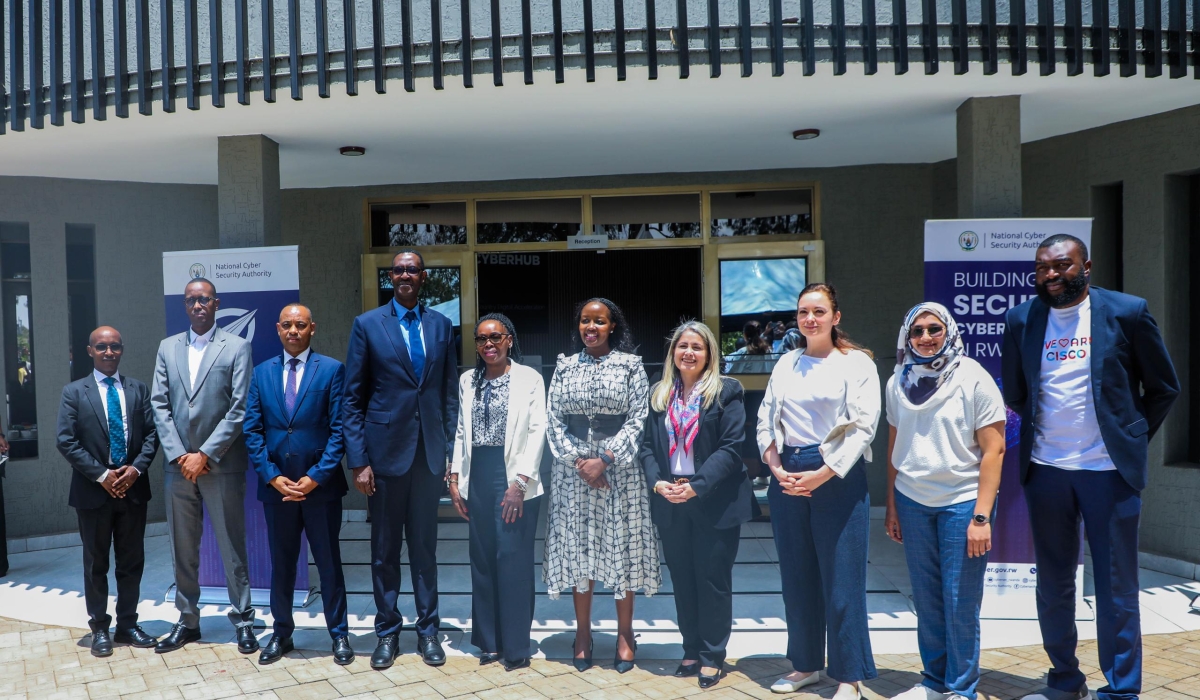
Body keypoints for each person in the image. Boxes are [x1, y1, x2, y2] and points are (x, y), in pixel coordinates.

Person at [1002, 235, 1179, 700]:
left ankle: (1121, 690)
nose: (1051, 275)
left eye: (1062, 265)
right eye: (1042, 268)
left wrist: (1129, 439)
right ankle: (1064, 681)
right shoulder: (1021, 319)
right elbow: (1017, 392)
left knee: (1117, 587)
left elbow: (1163, 387)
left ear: (1086, 266)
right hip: (1046, 471)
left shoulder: (1126, 312)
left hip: (1108, 474)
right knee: (1054, 585)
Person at [757, 282, 880, 699]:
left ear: (835, 316)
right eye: (803, 312)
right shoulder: (786, 362)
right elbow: (766, 418)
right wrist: (775, 468)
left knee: (842, 579)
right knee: (797, 576)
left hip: (837, 476)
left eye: (819, 311)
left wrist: (824, 473)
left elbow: (864, 426)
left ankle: (849, 674)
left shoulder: (856, 362)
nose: (810, 319)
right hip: (788, 474)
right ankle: (806, 665)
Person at [883, 304, 1006, 700]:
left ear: (948, 330)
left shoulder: (974, 378)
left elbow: (995, 449)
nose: (925, 337)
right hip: (913, 500)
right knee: (927, 599)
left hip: (962, 503)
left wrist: (982, 517)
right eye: (916, 330)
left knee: (959, 602)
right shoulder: (898, 381)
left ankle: (961, 687)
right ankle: (933, 682)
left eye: (934, 329)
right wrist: (891, 503)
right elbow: (894, 444)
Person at [343, 250, 459, 669]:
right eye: (398, 270)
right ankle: (388, 632)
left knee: (426, 551)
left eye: (412, 269)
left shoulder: (442, 325)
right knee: (384, 552)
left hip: (428, 458)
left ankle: (429, 631)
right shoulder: (368, 325)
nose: (405, 275)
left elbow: (448, 397)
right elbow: (352, 398)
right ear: (390, 277)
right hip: (385, 458)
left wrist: (451, 456)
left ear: (423, 276)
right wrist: (358, 460)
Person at [641, 320, 758, 689]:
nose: (688, 352)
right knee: (683, 581)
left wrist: (697, 486)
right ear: (673, 352)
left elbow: (730, 447)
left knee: (712, 582)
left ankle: (711, 656)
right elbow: (645, 447)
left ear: (709, 354)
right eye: (682, 346)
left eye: (697, 347)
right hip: (671, 500)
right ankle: (690, 650)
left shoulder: (727, 392)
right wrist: (658, 482)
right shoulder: (659, 394)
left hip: (714, 502)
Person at [544, 297, 658, 674]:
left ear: (613, 327)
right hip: (573, 472)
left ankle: (625, 634)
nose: (590, 328)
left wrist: (605, 459)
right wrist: (582, 462)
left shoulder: (631, 366)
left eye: (599, 321)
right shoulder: (564, 367)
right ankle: (582, 635)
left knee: (620, 549)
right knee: (580, 550)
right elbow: (553, 420)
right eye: (584, 321)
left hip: (619, 472)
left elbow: (639, 418)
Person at [151, 277, 257, 654]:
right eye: (192, 300)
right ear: (185, 306)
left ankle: (244, 620)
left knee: (231, 545)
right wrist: (180, 455)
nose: (198, 305)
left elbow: (239, 407)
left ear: (216, 304)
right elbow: (159, 405)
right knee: (183, 548)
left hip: (220, 464)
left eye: (205, 300)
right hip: (178, 467)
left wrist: (205, 454)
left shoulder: (238, 346)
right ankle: (188, 620)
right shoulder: (167, 348)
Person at [244, 305, 353, 666]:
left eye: (300, 325)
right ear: (277, 329)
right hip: (278, 490)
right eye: (287, 325)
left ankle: (338, 634)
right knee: (283, 564)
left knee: (329, 563)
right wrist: (273, 477)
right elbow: (253, 431)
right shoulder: (261, 374)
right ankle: (281, 633)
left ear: (312, 328)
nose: (294, 330)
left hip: (320, 488)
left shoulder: (332, 370)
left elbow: (340, 430)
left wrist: (314, 477)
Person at [447, 314, 547, 672]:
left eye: (496, 337)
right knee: (484, 559)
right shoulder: (467, 381)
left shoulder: (529, 379)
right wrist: (454, 480)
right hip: (478, 477)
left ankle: (517, 645)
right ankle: (489, 641)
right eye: (482, 339)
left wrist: (519, 484)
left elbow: (538, 431)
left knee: (513, 559)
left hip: (514, 480)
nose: (489, 344)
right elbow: (460, 431)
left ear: (509, 339)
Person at [55, 326, 161, 657]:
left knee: (132, 562)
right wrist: (102, 475)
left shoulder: (138, 390)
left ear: (122, 349)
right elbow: (66, 440)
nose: (108, 352)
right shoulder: (74, 392)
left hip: (133, 490)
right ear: (89, 351)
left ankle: (128, 624)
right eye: (101, 347)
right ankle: (100, 627)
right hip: (93, 493)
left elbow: (152, 435)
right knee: (95, 563)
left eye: (114, 346)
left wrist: (134, 470)